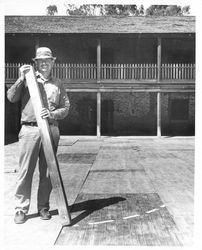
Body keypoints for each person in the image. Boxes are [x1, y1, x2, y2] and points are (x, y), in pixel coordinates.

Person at [7, 47, 70, 224]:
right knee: (26, 170)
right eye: (40, 61)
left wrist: (52, 114)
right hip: (29, 130)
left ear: (52, 62)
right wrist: (21, 78)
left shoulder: (57, 83)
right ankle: (21, 208)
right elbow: (11, 97)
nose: (44, 63)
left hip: (50, 128)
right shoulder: (28, 80)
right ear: (35, 63)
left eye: (47, 60)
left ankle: (43, 206)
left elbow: (66, 108)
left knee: (49, 171)